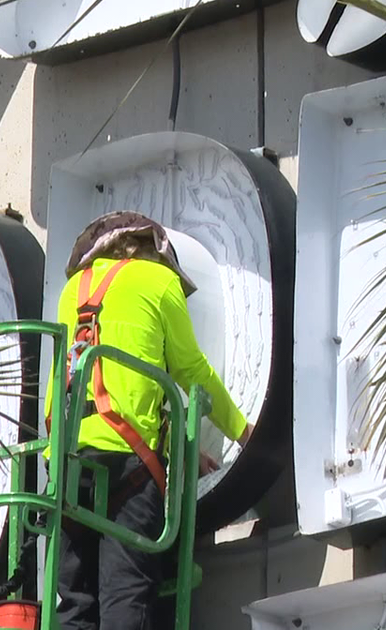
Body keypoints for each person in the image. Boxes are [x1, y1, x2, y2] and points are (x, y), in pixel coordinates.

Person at [45, 212, 253, 630]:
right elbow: (189, 372)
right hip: (125, 464)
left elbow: (103, 381)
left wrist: (180, 450)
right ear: (152, 253)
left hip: (66, 464)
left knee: (74, 600)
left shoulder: (71, 291)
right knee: (126, 595)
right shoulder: (160, 283)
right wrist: (243, 432)